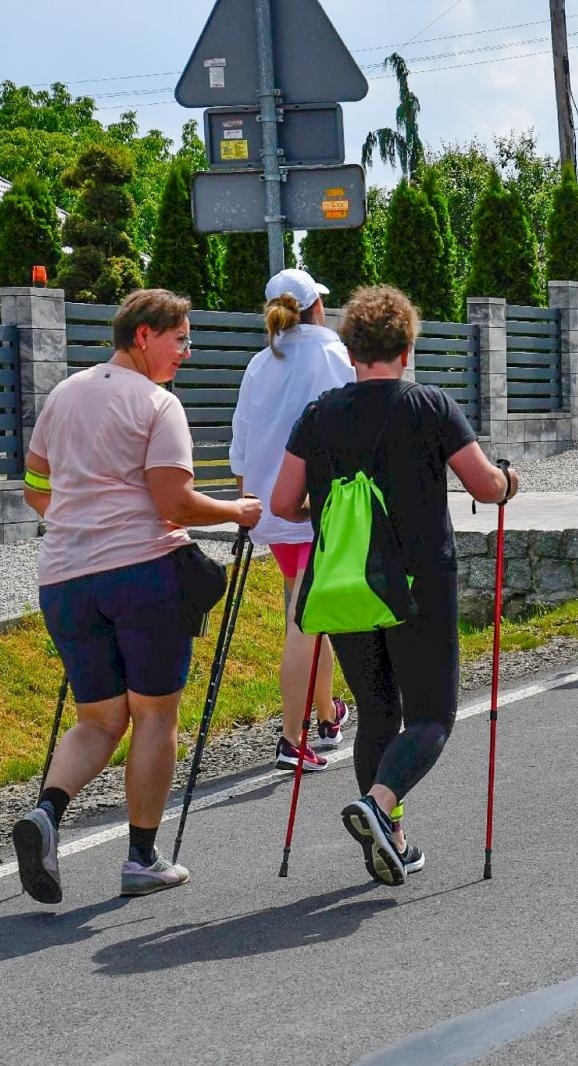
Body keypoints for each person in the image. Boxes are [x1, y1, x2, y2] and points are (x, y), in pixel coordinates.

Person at [14, 289, 262, 903]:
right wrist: (237, 509)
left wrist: (80, 514)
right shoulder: (158, 404)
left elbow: (34, 485)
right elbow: (173, 501)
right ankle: (142, 858)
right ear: (143, 336)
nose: (185, 351)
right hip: (143, 574)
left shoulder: (65, 394)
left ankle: (46, 814)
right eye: (179, 338)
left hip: (65, 579)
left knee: (99, 718)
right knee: (154, 713)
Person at [272, 285, 516, 887]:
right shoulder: (428, 405)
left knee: (377, 717)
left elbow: (283, 502)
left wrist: (328, 513)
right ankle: (379, 806)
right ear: (407, 349)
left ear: (351, 349)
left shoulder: (319, 414)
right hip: (418, 584)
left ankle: (391, 840)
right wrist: (510, 483)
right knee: (433, 715)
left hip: (345, 587)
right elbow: (484, 486)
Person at [230, 269, 355, 775]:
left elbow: (241, 439)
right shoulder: (332, 354)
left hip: (268, 508)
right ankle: (289, 738)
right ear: (316, 307)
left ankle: (327, 715)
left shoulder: (260, 363)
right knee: (304, 622)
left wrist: (245, 505)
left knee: (311, 613)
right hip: (315, 507)